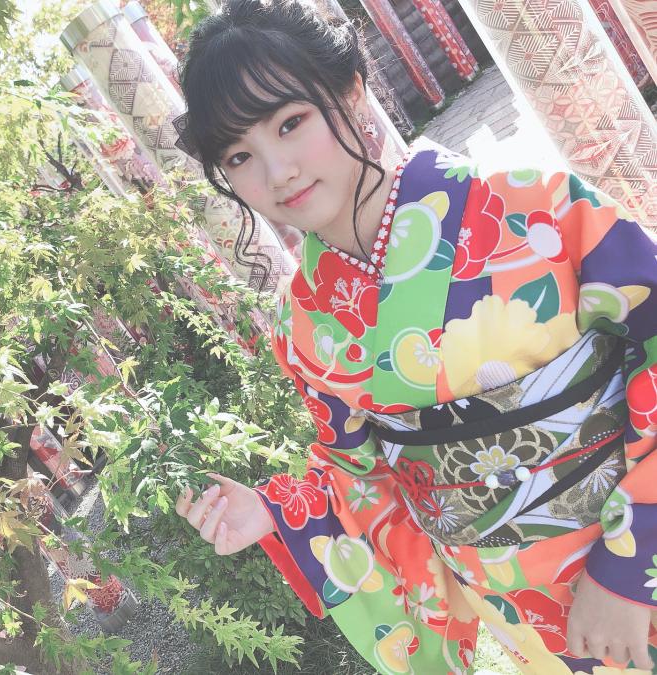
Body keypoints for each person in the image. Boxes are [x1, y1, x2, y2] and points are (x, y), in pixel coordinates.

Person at [172, 0, 657, 672]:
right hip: (523, 609)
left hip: (632, 553)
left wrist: (631, 564)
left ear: (351, 91)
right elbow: (362, 480)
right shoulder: (302, 325)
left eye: (290, 123)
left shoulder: (536, 205)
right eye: (240, 155)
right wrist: (278, 514)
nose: (278, 171)